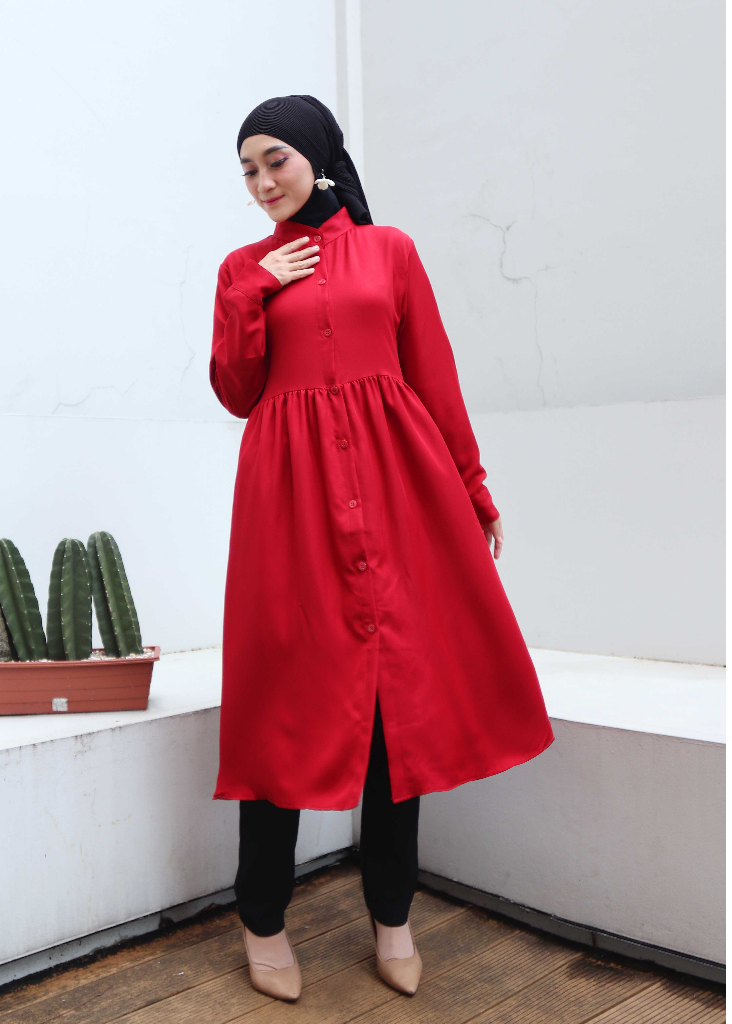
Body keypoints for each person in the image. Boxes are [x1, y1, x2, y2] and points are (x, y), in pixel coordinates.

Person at [209, 95, 554, 1003]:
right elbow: (237, 391)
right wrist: (253, 291)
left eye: (275, 161)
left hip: (399, 491)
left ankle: (392, 916)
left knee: (396, 704)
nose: (262, 183)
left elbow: (433, 374)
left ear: (317, 157)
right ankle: (262, 917)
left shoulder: (391, 250)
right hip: (290, 505)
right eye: (247, 170)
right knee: (283, 701)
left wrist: (473, 488)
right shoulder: (242, 268)